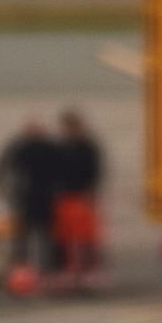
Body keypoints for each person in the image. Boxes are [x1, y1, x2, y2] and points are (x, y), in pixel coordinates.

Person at [0, 115, 64, 289]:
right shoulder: (27, 147)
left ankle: (39, 273)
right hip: (31, 200)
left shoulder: (31, 147)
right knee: (28, 239)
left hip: (39, 200)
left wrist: (8, 192)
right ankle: (26, 275)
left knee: (41, 239)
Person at [48, 106, 107, 288]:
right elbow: (54, 171)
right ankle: (65, 271)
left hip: (82, 196)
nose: (69, 130)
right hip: (64, 197)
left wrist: (91, 192)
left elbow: (95, 171)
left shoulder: (88, 146)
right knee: (63, 237)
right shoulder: (60, 147)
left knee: (87, 237)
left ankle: (89, 271)